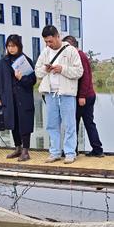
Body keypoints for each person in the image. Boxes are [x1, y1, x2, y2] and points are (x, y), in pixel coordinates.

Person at [35, 25, 83, 164]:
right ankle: (54, 152)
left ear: (58, 36)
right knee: (52, 124)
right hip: (50, 93)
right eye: (46, 42)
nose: (49, 44)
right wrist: (46, 68)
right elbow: (38, 72)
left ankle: (69, 152)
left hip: (67, 93)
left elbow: (79, 72)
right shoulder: (45, 52)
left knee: (69, 124)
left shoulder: (71, 51)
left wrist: (62, 69)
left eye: (51, 41)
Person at [0, 34, 37, 161]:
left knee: (24, 124)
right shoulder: (4, 62)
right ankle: (18, 148)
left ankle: (25, 151)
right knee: (13, 124)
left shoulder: (25, 60)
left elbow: (32, 80)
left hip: (23, 99)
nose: (11, 48)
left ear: (19, 46)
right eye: (9, 46)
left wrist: (21, 78)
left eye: (13, 46)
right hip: (9, 98)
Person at [62, 35, 103, 157]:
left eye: (66, 46)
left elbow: (86, 78)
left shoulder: (80, 56)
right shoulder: (76, 56)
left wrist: (82, 96)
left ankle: (76, 149)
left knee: (78, 123)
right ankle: (94, 149)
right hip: (83, 95)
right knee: (81, 122)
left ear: (72, 45)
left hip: (84, 96)